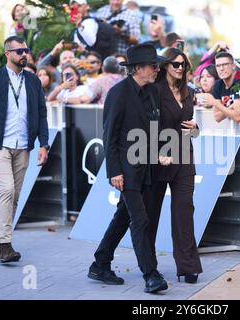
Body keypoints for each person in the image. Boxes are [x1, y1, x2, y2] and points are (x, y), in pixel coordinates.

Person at [88, 44, 168, 294]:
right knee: (140, 219)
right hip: (126, 169)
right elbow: (109, 136)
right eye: (153, 65)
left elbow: (154, 129)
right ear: (138, 68)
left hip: (147, 168)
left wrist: (160, 152)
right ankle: (150, 274)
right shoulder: (118, 93)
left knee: (123, 216)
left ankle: (100, 263)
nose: (157, 69)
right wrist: (114, 171)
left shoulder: (153, 91)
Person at [0, 36, 49, 263]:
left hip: (24, 146)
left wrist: (44, 144)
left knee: (14, 197)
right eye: (19, 51)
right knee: (6, 191)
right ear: (8, 54)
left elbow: (42, 115)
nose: (24, 54)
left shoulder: (33, 82)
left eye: (26, 50)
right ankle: (6, 244)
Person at [149, 48, 203, 284]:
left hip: (183, 158)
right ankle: (149, 267)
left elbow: (193, 131)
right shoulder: (154, 91)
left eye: (183, 65)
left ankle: (188, 267)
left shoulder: (189, 92)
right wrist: (157, 153)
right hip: (158, 159)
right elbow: (147, 124)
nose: (180, 68)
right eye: (175, 64)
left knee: (184, 213)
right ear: (165, 66)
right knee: (150, 216)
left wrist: (195, 130)